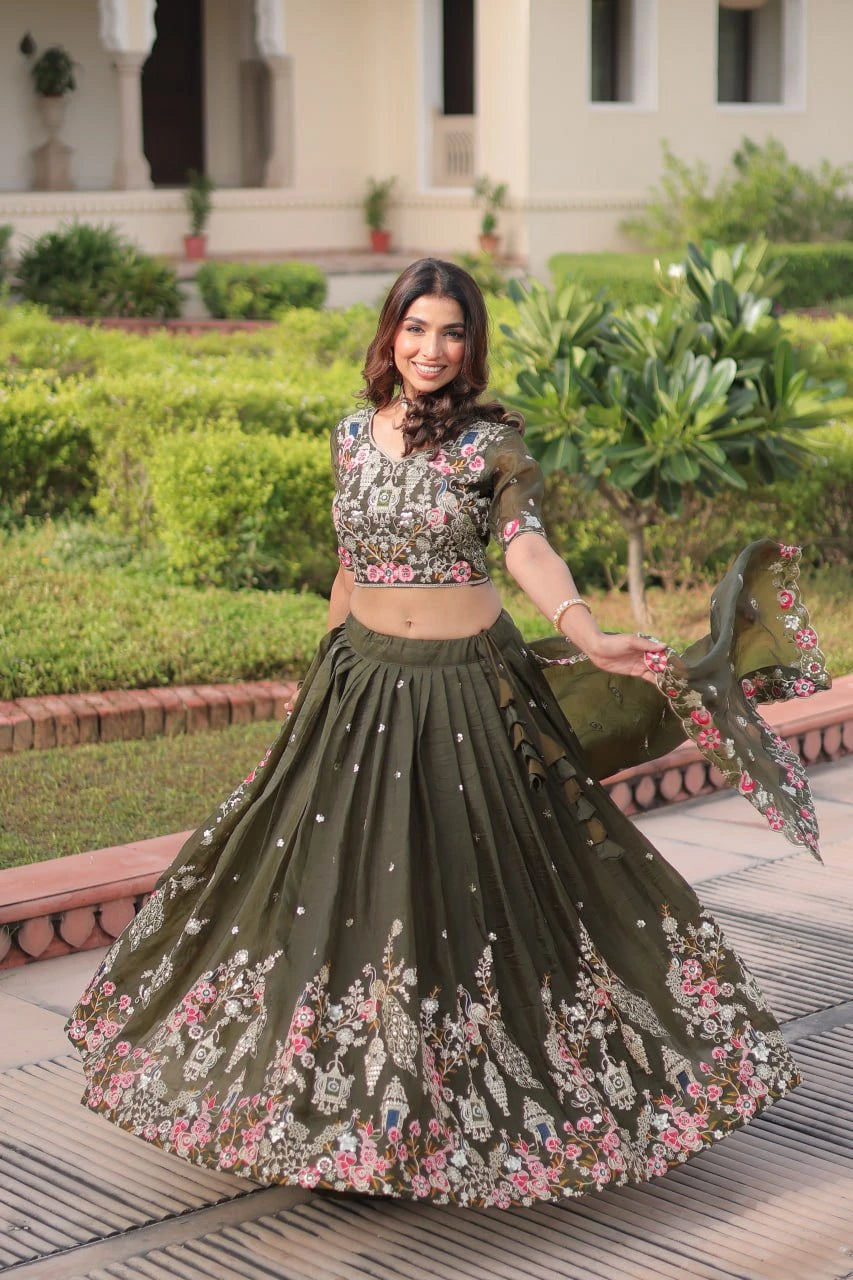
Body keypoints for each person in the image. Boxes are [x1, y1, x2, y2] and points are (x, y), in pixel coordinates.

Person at [66, 258, 827, 1210]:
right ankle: (341, 1117)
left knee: (482, 891)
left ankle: (506, 1102)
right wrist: (320, 685)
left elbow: (525, 546)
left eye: (451, 333)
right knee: (343, 895)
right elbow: (348, 572)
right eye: (416, 329)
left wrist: (586, 629)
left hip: (469, 693)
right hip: (360, 688)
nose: (432, 350)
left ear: (470, 345)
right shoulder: (349, 437)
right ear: (389, 334)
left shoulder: (491, 444)